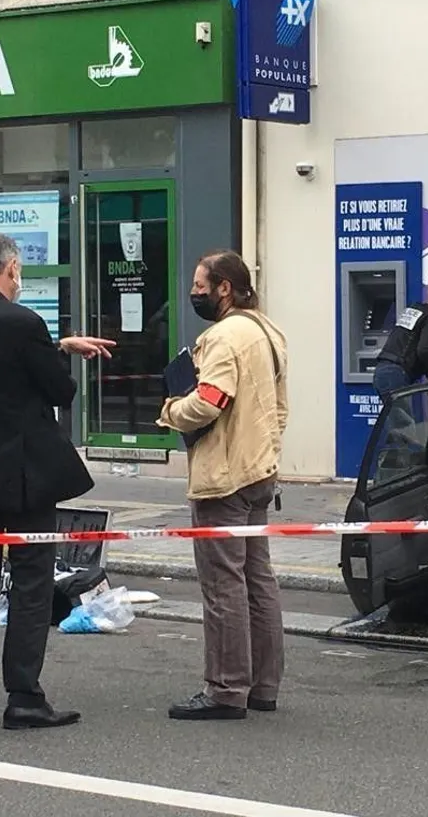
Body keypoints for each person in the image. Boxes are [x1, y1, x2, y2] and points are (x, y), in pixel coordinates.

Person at [0, 233, 114, 735]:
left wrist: (55, 344)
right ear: (11, 269)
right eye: (19, 270)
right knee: (32, 583)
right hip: (25, 472)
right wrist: (56, 356)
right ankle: (24, 697)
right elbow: (60, 389)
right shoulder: (23, 321)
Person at [157, 250, 288, 721]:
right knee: (258, 579)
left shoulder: (221, 337)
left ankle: (226, 689)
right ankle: (264, 686)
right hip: (259, 471)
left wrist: (171, 409)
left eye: (199, 285)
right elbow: (279, 406)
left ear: (224, 289)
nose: (193, 293)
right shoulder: (268, 331)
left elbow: (209, 402)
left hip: (223, 477)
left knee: (222, 585)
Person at [372, 276, 428, 402]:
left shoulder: (415, 310)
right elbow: (424, 350)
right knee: (403, 421)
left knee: (396, 419)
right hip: (396, 374)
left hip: (383, 371)